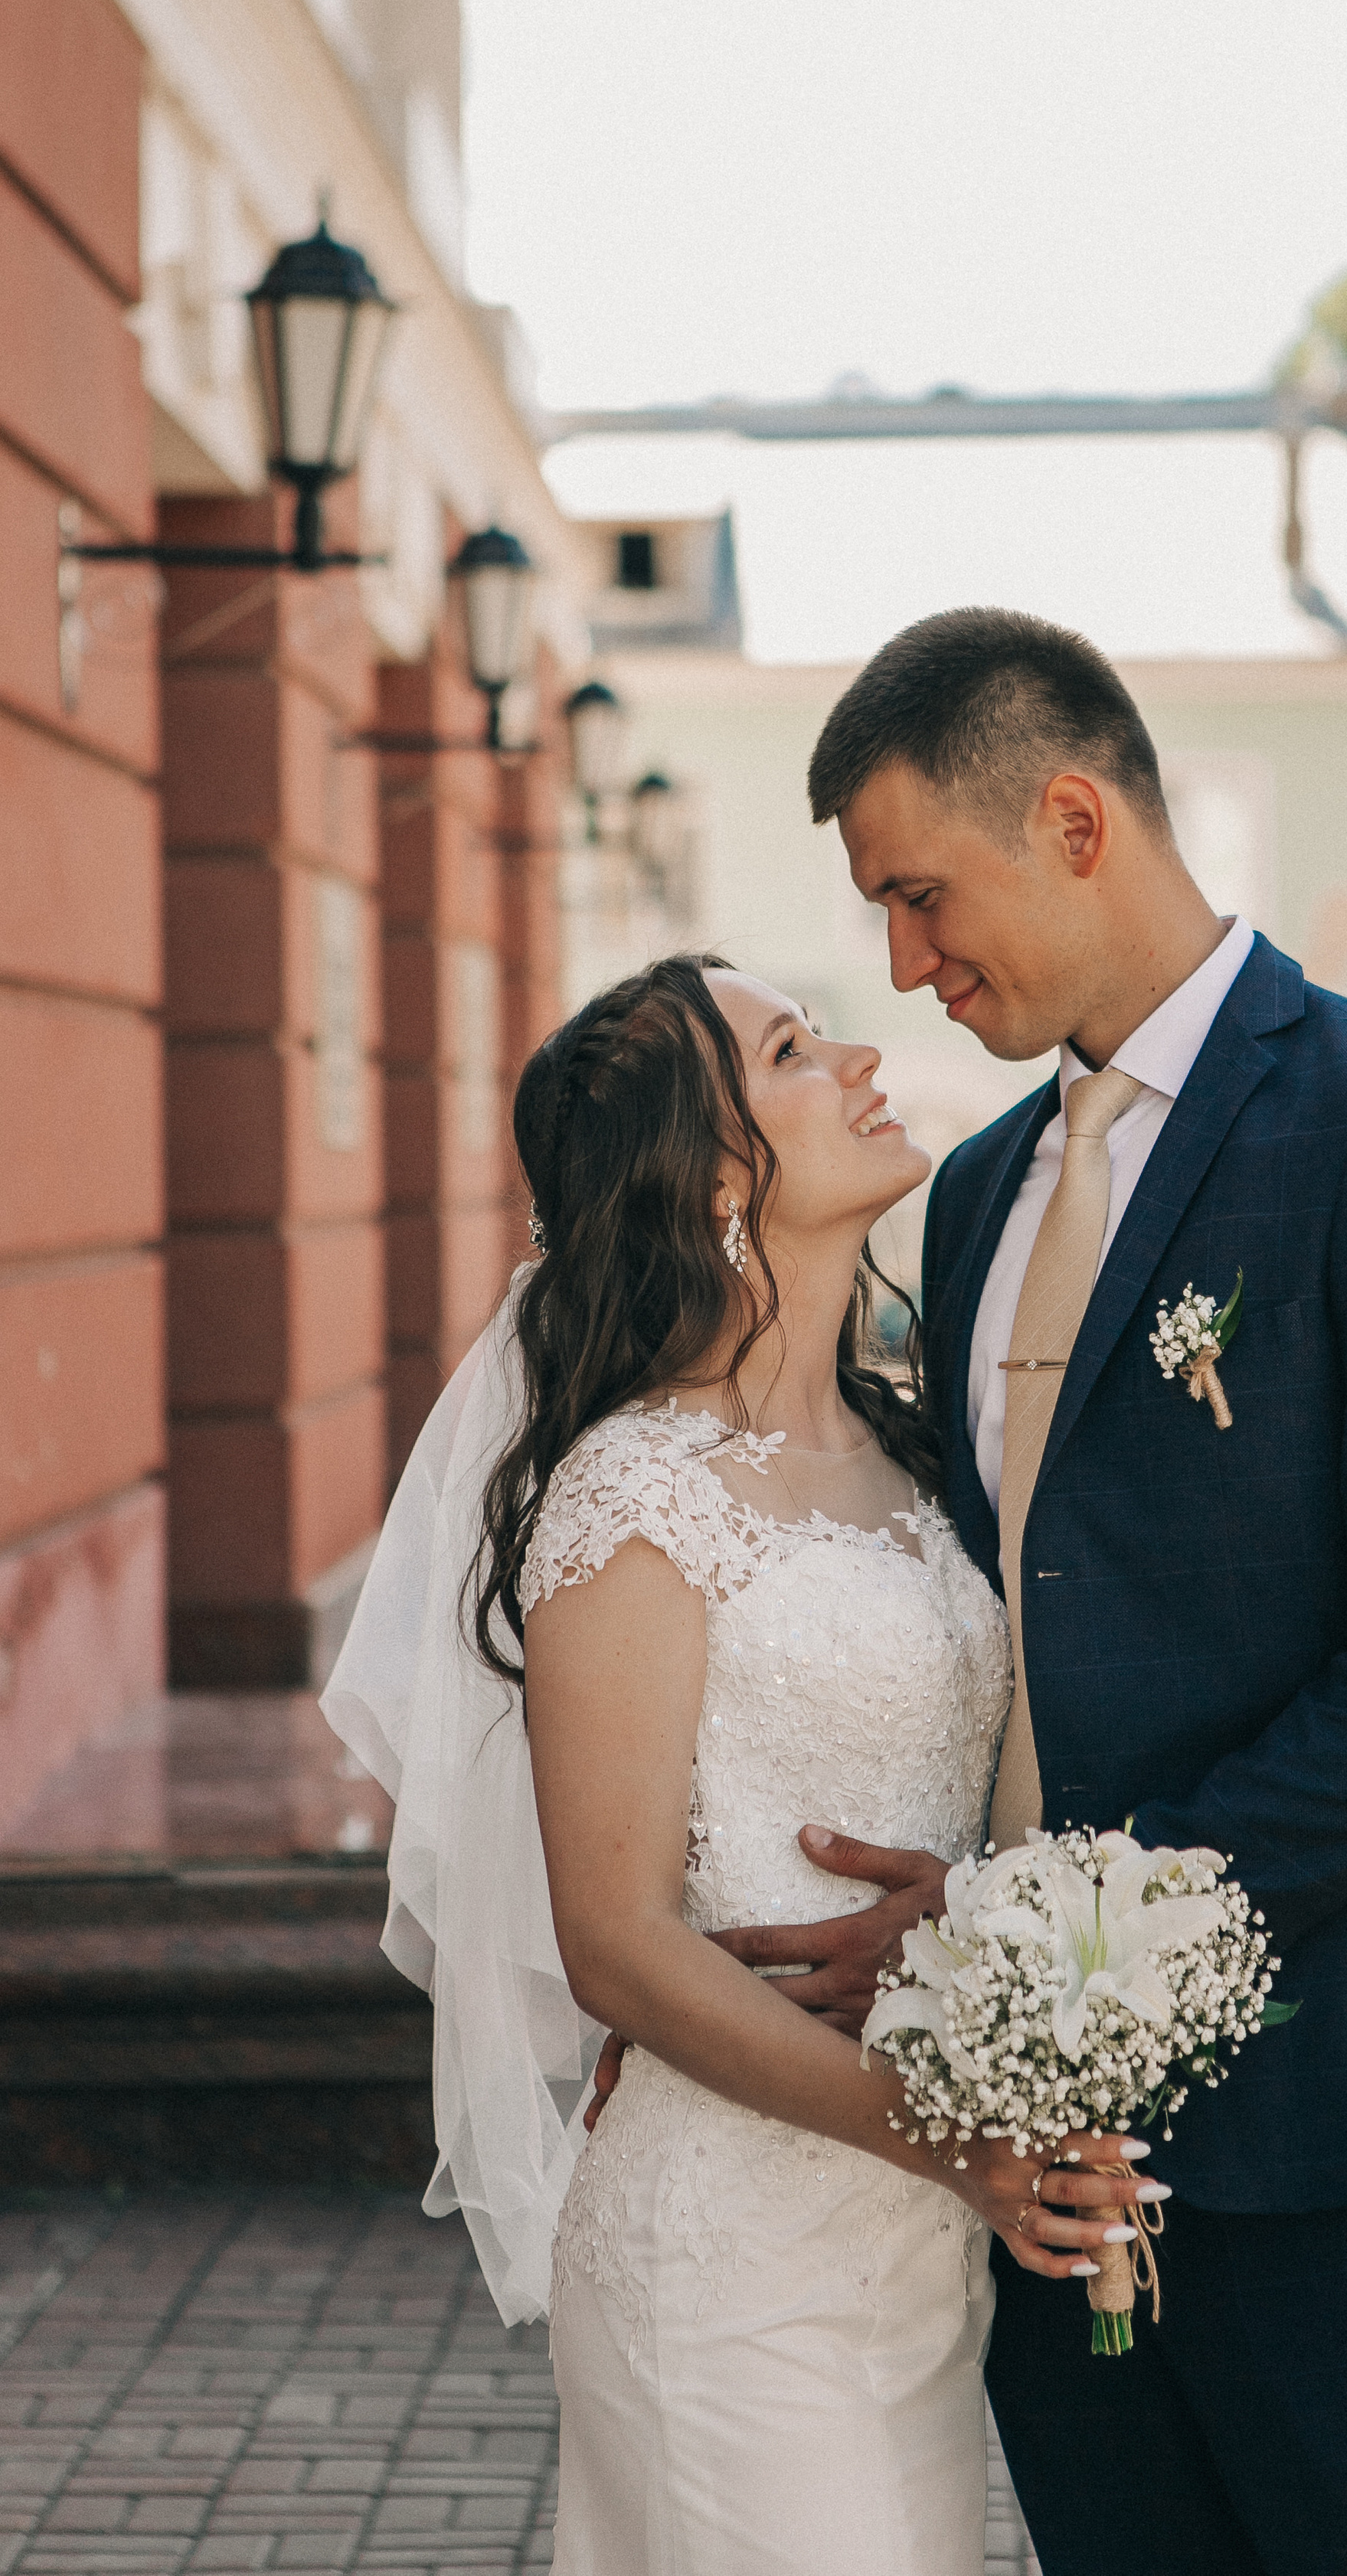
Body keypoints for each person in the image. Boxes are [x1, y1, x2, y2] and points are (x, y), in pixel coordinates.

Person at [603, 608, 1347, 2574]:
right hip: (1047, 2191)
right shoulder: (971, 1199)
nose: (899, 957)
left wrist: (1029, 1935)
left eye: (918, 889)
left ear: (1072, 817)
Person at [327, 953, 1158, 2576]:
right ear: (717, 1175)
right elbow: (619, 1939)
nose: (857, 1051)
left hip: (914, 2258)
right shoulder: (632, 1493)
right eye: (790, 1046)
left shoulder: (918, 1459)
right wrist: (950, 2138)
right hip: (733, 2255)